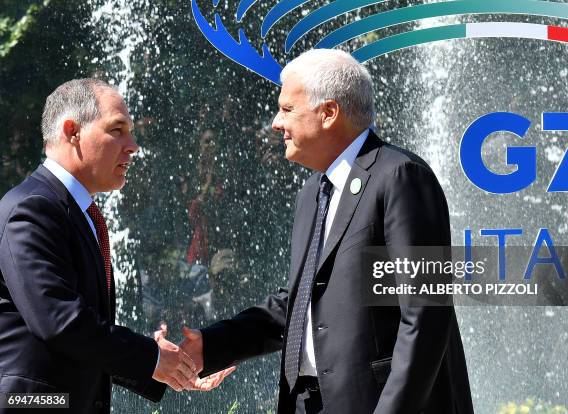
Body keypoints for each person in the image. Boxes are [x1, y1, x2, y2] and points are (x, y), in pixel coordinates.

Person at [180, 49, 474, 413]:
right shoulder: (311, 193)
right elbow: (299, 302)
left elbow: (427, 313)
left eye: (287, 109)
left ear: (329, 113)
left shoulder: (401, 176)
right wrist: (211, 346)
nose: (275, 122)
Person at [0, 79, 201, 414]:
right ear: (72, 131)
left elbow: (82, 333)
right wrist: (151, 359)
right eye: (117, 130)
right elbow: (60, 322)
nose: (133, 145)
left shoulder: (75, 212)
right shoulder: (31, 209)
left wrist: (161, 365)